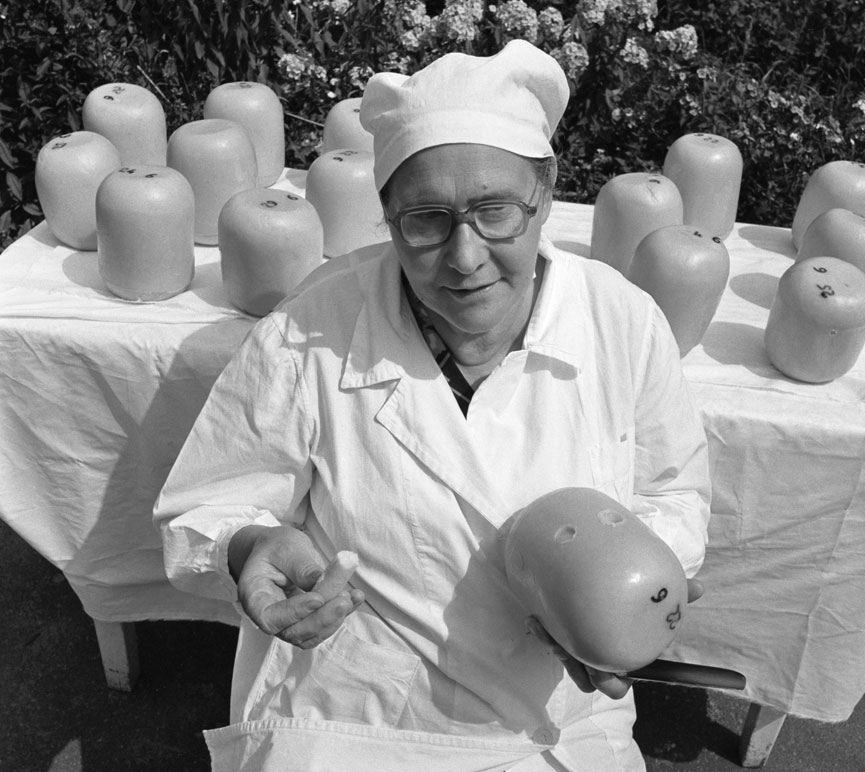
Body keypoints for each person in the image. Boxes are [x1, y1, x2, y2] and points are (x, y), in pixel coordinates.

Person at [153, 39, 711, 772]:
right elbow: (207, 503)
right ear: (386, 214)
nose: (466, 255)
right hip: (357, 715)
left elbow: (674, 489)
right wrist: (249, 546)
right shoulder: (309, 331)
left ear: (545, 197)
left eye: (495, 211)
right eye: (426, 219)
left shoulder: (620, 321)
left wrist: (626, 597)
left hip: (554, 721)